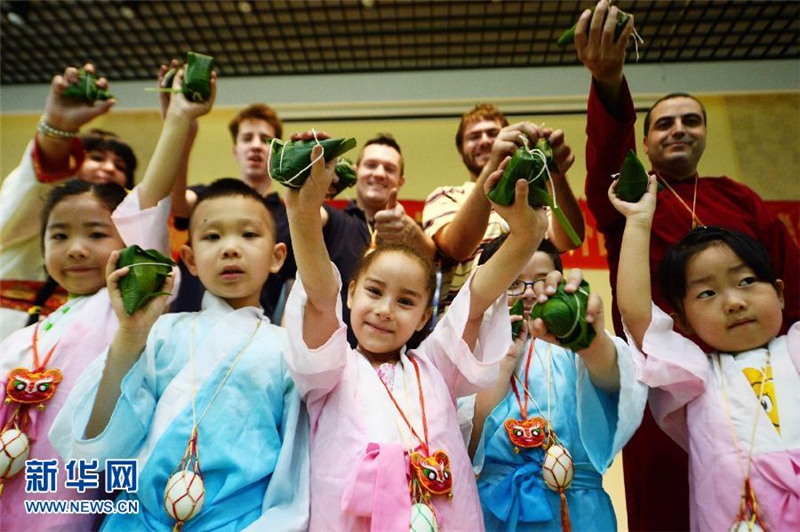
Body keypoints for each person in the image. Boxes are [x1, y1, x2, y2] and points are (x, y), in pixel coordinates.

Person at [574, 1, 800, 528]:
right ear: (646, 141)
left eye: (691, 121)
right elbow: (608, 160)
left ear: (704, 134)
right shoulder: (632, 195)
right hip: (672, 380)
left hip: (764, 374)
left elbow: (789, 281)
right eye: (664, 124)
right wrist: (608, 82)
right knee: (671, 505)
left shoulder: (738, 197)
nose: (678, 130)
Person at [283, 139, 547, 530]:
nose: (385, 310)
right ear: (351, 293)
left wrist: (527, 235)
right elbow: (321, 298)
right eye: (374, 291)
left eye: (406, 302)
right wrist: (302, 211)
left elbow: (477, 299)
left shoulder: (437, 366)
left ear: (426, 316)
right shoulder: (330, 370)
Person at [0, 67, 210, 531]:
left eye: (97, 233)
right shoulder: (25, 335)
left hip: (68, 502)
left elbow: (150, 203)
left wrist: (178, 117)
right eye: (59, 235)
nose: (76, 248)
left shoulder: (124, 304)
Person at [51, 179, 308, 532]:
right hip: (135, 520)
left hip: (238, 523)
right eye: (212, 237)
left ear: (278, 256)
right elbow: (98, 445)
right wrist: (130, 334)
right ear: (189, 259)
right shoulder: (162, 331)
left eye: (248, 235)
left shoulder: (287, 349)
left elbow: (293, 472)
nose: (230, 248)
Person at [610, 176, 800, 531]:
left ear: (779, 293)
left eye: (746, 281)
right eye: (707, 293)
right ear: (681, 321)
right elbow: (638, 317)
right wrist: (637, 221)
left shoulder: (795, 349)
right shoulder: (694, 377)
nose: (734, 302)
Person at [466, 235, 645, 532]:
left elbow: (615, 381)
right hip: (495, 511)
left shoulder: (577, 345)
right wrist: (504, 364)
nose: (526, 294)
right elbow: (464, 449)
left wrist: (591, 344)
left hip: (579, 512)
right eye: (512, 281)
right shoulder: (468, 353)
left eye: (540, 282)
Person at [0, 64, 138, 340]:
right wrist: (59, 129)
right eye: (97, 158)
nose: (109, 168)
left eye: (119, 165)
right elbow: (40, 178)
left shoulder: (133, 234)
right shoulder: (33, 209)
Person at [423, 109, 584, 316]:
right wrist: (494, 164)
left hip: (535, 323)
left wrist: (556, 177)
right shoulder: (446, 196)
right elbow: (458, 247)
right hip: (464, 329)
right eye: (474, 136)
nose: (484, 141)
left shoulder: (533, 195)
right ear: (461, 153)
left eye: (493, 134)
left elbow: (570, 239)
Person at [169, 98, 295, 321]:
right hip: (190, 327)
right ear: (236, 151)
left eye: (266, 140)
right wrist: (183, 130)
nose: (256, 145)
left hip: (251, 332)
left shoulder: (291, 216)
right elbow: (177, 202)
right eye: (247, 138)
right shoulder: (206, 199)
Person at [321, 133, 435, 345]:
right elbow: (305, 217)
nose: (380, 173)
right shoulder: (332, 219)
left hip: (398, 364)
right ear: (356, 172)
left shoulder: (410, 231)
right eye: (371, 165)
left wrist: (412, 235)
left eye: (389, 169)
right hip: (335, 358)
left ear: (401, 181)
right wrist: (314, 190)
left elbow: (433, 259)